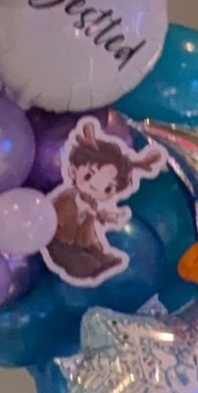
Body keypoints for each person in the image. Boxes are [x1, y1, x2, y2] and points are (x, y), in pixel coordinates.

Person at [44, 119, 163, 285]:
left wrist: (106, 217)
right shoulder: (67, 198)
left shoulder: (93, 203)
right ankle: (91, 264)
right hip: (60, 242)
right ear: (73, 171)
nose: (94, 187)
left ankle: (101, 260)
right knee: (80, 263)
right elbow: (60, 218)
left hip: (81, 242)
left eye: (108, 188)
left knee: (96, 254)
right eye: (88, 176)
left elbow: (93, 219)